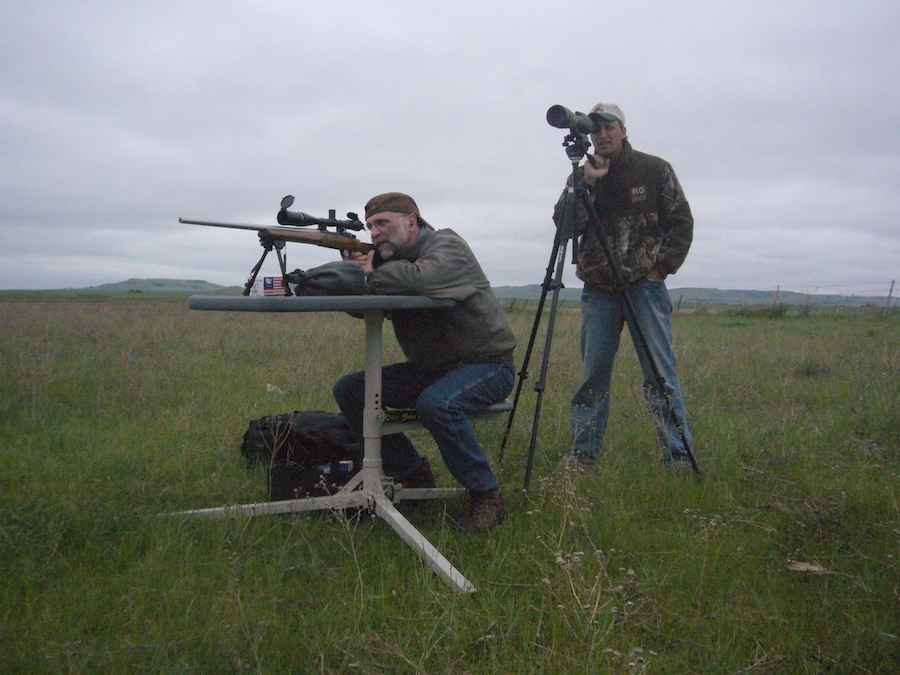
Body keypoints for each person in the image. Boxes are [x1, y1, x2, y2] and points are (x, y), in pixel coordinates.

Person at [332, 192, 517, 531]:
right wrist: (353, 274)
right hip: (432, 370)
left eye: (383, 223)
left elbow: (422, 278)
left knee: (437, 404)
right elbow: (361, 308)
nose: (374, 232)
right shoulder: (390, 264)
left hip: (487, 366)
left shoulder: (447, 247)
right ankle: (412, 474)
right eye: (371, 226)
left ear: (412, 221)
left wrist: (375, 271)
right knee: (350, 390)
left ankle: (487, 495)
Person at [553, 103, 694, 466]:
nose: (601, 134)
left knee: (659, 375)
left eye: (608, 127)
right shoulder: (582, 175)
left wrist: (660, 269)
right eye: (595, 129)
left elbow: (681, 222)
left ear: (623, 130)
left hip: (643, 288)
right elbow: (566, 228)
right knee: (592, 377)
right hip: (598, 290)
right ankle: (583, 455)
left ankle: (678, 458)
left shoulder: (653, 169)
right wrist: (587, 182)